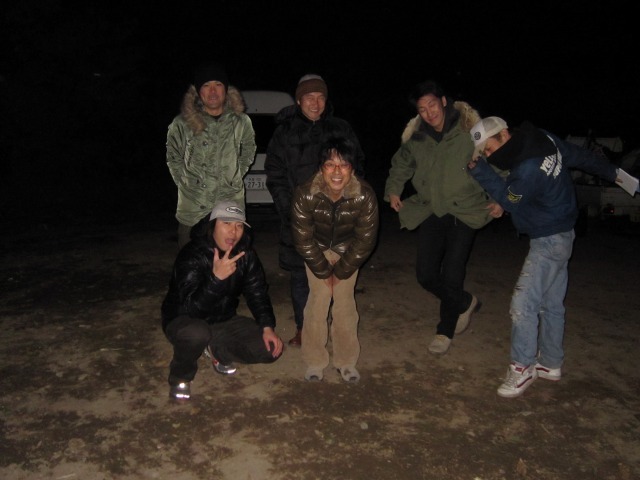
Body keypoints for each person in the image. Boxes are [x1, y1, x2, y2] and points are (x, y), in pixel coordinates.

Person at [467, 116, 637, 398]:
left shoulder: (527, 168)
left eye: (489, 148)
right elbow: (581, 156)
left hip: (549, 239)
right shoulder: (542, 139)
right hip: (564, 231)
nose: (488, 154)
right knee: (551, 303)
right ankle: (550, 362)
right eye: (484, 152)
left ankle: (522, 368)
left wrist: (482, 172)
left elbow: (510, 200)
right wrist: (620, 177)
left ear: (504, 134)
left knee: (523, 304)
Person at [383, 80, 503, 356]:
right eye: (422, 109)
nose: (429, 113)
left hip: (465, 209)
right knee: (425, 274)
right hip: (433, 209)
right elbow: (401, 163)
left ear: (444, 101)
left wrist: (501, 198)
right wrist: (393, 189)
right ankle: (465, 301)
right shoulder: (417, 137)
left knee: (452, 273)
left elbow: (495, 158)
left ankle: (444, 331)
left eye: (432, 105)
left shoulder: (469, 130)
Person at [265, 74, 366, 348]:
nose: (315, 103)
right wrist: (289, 210)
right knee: (301, 275)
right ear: (299, 100)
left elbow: (357, 166)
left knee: (338, 277)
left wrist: (350, 205)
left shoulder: (340, 128)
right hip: (299, 218)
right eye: (309, 97)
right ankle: (305, 328)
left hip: (337, 218)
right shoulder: (284, 132)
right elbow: (274, 174)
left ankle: (336, 328)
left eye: (321, 97)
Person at [161, 200, 284, 400]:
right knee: (197, 333)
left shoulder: (245, 255)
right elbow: (191, 309)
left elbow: (257, 292)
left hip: (223, 319)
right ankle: (180, 377)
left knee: (270, 350)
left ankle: (217, 351)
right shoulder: (192, 254)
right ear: (212, 226)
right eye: (226, 223)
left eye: (239, 225)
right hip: (184, 319)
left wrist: (267, 326)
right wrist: (216, 279)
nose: (233, 232)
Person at [291, 136, 378, 383]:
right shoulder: (305, 193)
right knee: (318, 299)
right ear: (321, 168)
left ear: (352, 168)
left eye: (344, 165)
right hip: (316, 248)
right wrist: (323, 271)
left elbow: (365, 240)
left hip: (348, 249)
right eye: (330, 164)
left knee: (344, 302)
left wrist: (339, 272)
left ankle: (346, 361)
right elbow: (302, 239)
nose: (337, 172)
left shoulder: (365, 195)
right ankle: (315, 361)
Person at [166, 62, 257, 250]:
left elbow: (249, 149)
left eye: (218, 84)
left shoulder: (241, 121)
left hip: (229, 203)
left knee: (230, 261)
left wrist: (235, 175)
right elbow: (173, 156)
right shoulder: (182, 123)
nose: (213, 91)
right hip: (193, 208)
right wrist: (186, 183)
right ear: (198, 91)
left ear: (226, 89)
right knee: (191, 262)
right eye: (206, 85)